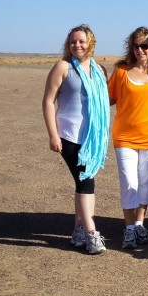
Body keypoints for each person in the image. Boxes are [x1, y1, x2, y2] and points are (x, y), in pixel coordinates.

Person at [41, 24, 110, 254]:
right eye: (73, 42)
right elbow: (48, 101)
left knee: (83, 184)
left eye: (81, 41)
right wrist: (53, 135)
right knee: (85, 182)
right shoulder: (63, 67)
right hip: (69, 135)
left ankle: (78, 231)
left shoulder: (98, 69)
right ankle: (91, 233)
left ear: (91, 43)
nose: (77, 45)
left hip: (92, 137)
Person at [107, 27, 148, 249]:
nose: (141, 50)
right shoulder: (121, 71)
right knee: (128, 183)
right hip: (124, 138)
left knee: (145, 185)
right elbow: (106, 99)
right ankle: (129, 229)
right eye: (136, 46)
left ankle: (140, 225)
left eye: (145, 46)